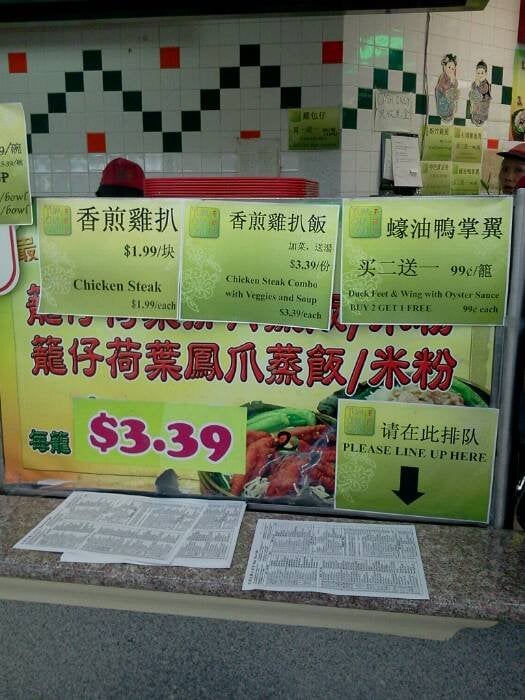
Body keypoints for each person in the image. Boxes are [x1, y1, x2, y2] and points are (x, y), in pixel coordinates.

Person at [435, 53, 459, 124]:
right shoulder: (443, 77)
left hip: (448, 101)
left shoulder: (452, 78)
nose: (451, 70)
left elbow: (455, 86)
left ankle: (449, 114)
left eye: (453, 68)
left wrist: (453, 81)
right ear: (444, 67)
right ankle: (445, 114)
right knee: (445, 105)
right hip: (442, 97)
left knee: (451, 104)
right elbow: (444, 87)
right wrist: (451, 81)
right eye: (449, 67)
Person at [469, 60, 491, 126]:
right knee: (474, 108)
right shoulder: (476, 81)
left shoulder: (486, 84)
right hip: (477, 101)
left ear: (486, 74)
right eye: (478, 73)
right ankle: (475, 117)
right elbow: (473, 87)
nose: (480, 75)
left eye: (482, 73)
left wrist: (478, 85)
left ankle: (481, 119)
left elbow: (484, 90)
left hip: (484, 101)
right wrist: (475, 84)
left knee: (481, 111)